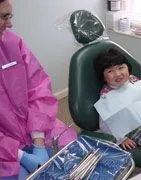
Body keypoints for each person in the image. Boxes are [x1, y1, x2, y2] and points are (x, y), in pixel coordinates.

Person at [0, 0, 77, 179]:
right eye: (4, 17)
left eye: (10, 16)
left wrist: (39, 142)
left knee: (72, 152)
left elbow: (38, 88)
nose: (10, 24)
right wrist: (20, 156)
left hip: (32, 126)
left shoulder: (12, 43)